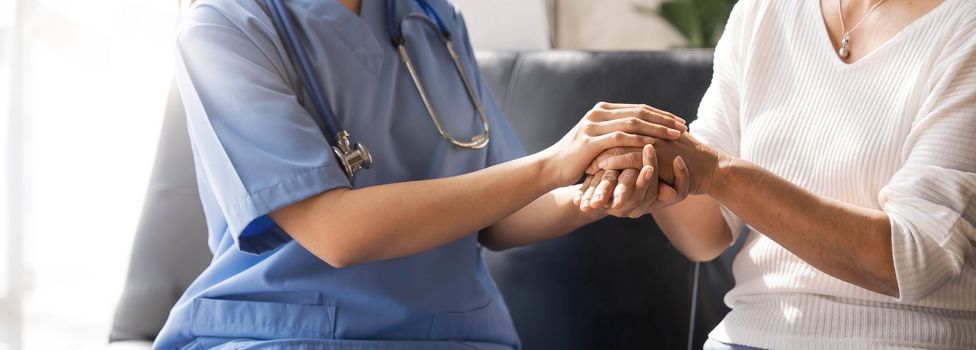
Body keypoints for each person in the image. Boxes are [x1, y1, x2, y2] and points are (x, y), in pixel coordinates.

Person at [154, 0, 686, 349]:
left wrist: (594, 190)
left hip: (457, 334)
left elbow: (501, 215)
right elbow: (337, 232)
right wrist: (553, 164)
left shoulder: (429, 18)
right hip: (289, 332)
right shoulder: (224, 28)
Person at [579, 0, 976, 348]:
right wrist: (650, 164)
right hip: (747, 334)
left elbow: (910, 259)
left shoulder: (964, 28)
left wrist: (717, 172)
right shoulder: (762, 11)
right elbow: (706, 233)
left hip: (903, 339)